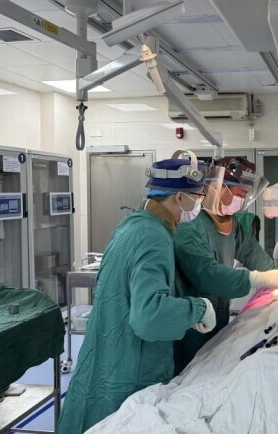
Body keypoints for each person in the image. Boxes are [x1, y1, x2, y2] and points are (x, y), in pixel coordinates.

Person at [58, 155, 217, 434]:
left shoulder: (131, 225)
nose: (198, 206)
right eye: (197, 198)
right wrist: (197, 309)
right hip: (128, 375)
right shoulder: (153, 237)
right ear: (180, 197)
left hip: (103, 360)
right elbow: (149, 316)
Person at [173, 157, 278, 372]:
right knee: (190, 375)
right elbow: (209, 276)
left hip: (217, 320)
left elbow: (253, 253)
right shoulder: (191, 226)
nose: (241, 201)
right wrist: (260, 279)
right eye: (239, 193)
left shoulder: (230, 222)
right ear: (217, 187)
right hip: (191, 327)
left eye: (245, 195)